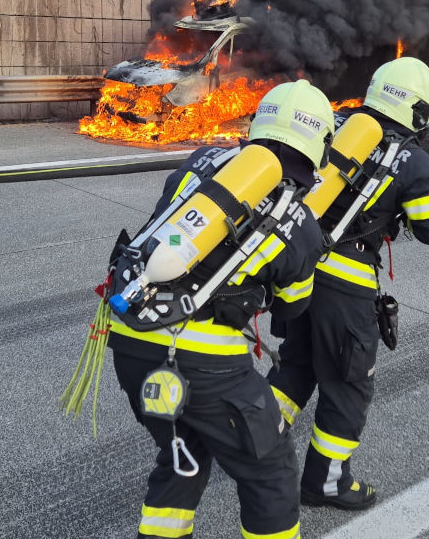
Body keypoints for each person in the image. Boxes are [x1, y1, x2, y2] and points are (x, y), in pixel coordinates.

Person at [109, 79, 333, 539]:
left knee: (182, 456)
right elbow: (292, 308)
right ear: (318, 142)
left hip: (129, 336)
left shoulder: (203, 162)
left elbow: (165, 231)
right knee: (269, 471)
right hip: (206, 364)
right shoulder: (299, 218)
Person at [267, 57, 429, 511]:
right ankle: (325, 483)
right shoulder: (413, 159)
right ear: (415, 110)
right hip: (346, 290)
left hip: (299, 272)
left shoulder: (336, 124)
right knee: (348, 384)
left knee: (297, 367)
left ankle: (251, 440)